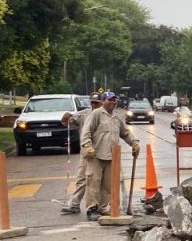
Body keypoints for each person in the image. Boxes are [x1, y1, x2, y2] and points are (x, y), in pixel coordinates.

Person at [80, 91, 139, 221]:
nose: (112, 102)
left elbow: (125, 133)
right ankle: (92, 208)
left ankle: (102, 207)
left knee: (108, 185)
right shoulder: (96, 114)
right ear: (103, 101)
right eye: (110, 100)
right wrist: (87, 145)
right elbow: (86, 131)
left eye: (114, 100)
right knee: (93, 183)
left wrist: (134, 143)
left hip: (111, 156)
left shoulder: (116, 118)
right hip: (95, 155)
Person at [59, 93, 102, 214]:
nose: (94, 105)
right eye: (92, 102)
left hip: (102, 153)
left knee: (99, 181)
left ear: (102, 102)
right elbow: (67, 121)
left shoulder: (106, 115)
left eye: (96, 102)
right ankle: (74, 203)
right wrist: (66, 118)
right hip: (87, 153)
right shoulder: (84, 114)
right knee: (81, 178)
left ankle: (102, 206)